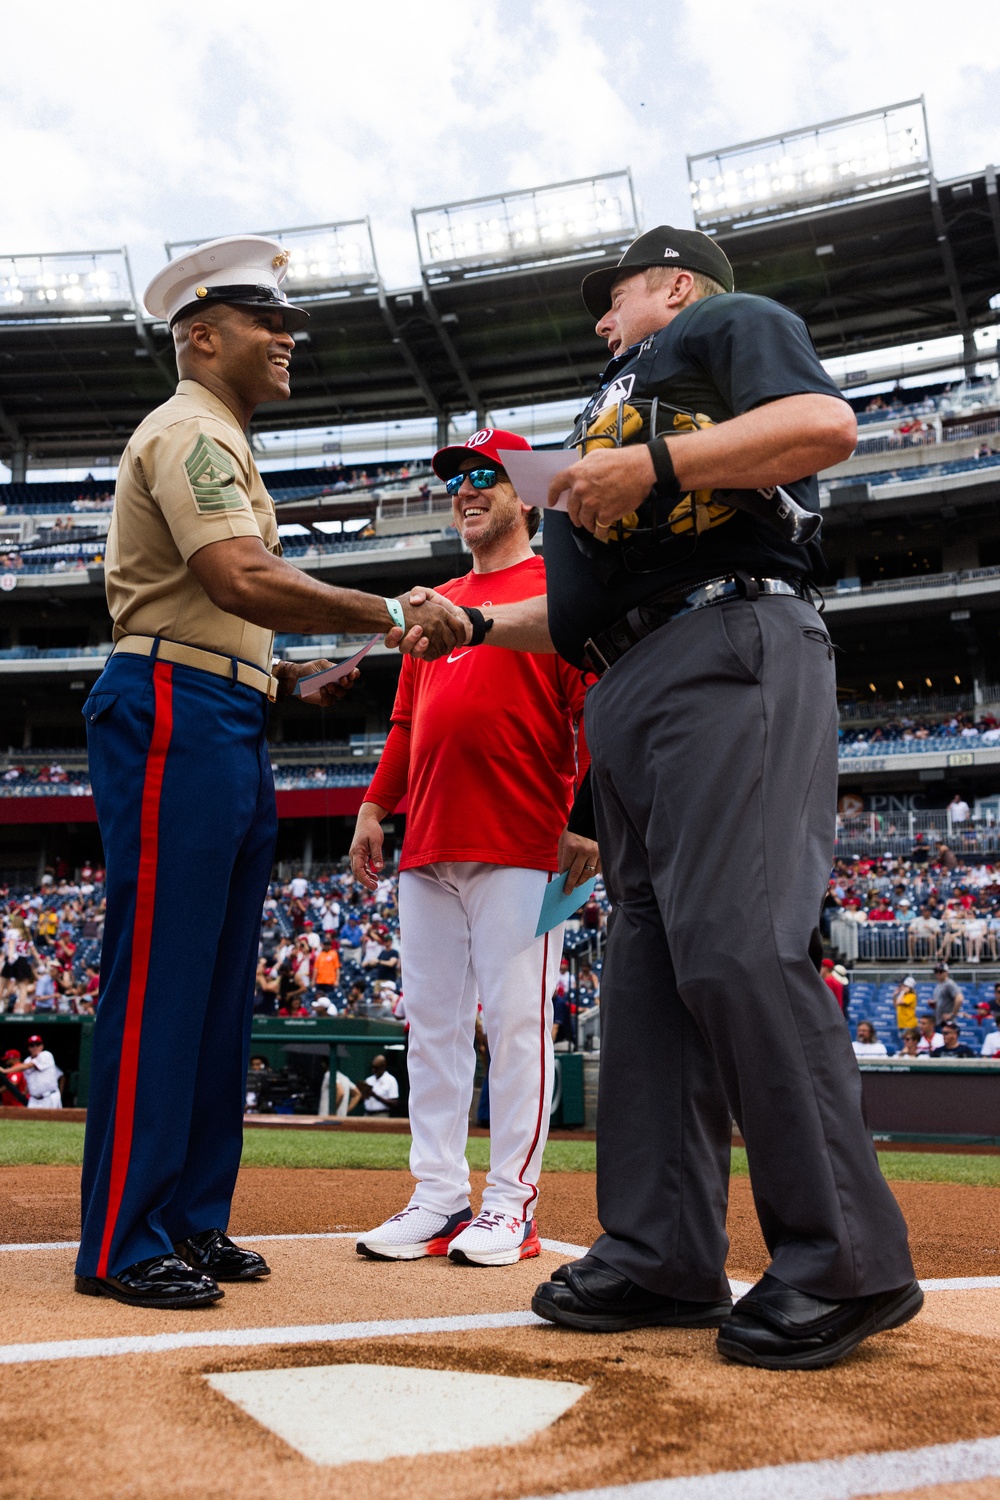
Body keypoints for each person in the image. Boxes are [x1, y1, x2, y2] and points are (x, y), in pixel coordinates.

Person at [521, 224, 919, 1367]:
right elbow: (573, 609)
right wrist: (469, 624)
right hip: (626, 675)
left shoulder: (720, 324)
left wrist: (646, 465)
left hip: (727, 638)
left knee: (738, 943)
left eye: (616, 295)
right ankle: (659, 1252)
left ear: (674, 285)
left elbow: (822, 427)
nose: (602, 317)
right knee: (645, 971)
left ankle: (847, 1260)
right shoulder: (601, 413)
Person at [74, 236, 468, 1312]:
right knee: (164, 980)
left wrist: (293, 675)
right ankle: (122, 1236)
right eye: (264, 320)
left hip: (225, 705)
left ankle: (191, 1220)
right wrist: (391, 614)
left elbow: (225, 607)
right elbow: (238, 574)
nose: (287, 336)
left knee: (211, 994)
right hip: (173, 710)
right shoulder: (191, 427)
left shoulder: (219, 435)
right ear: (202, 336)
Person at [353, 429, 597, 1268]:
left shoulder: (558, 589)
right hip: (429, 838)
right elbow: (407, 720)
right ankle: (438, 1196)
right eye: (456, 479)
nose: (466, 490)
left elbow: (590, 712)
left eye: (485, 477)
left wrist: (588, 815)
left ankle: (512, 1205)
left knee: (519, 1027)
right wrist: (376, 803)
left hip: (524, 837)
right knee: (433, 1028)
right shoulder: (440, 598)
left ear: (525, 495)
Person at [1, 1035, 63, 1107]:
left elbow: (28, 1066)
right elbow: (29, 1079)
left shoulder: (46, 1055)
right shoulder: (27, 1060)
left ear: (42, 1046)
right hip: (34, 1099)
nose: (35, 1047)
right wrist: (25, 1092)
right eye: (32, 1045)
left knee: (52, 1118)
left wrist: (5, 1071)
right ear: (28, 1048)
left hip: (49, 1097)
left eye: (37, 1044)